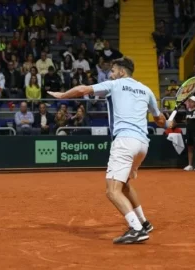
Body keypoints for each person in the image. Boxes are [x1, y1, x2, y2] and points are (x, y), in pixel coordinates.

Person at [48, 57, 168, 244]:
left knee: (112, 191)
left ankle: (136, 229)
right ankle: (144, 223)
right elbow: (160, 120)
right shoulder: (146, 90)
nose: (110, 74)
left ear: (121, 72)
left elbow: (83, 89)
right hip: (143, 144)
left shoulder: (115, 84)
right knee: (125, 184)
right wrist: (168, 122)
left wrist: (62, 95)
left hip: (124, 142)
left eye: (112, 71)